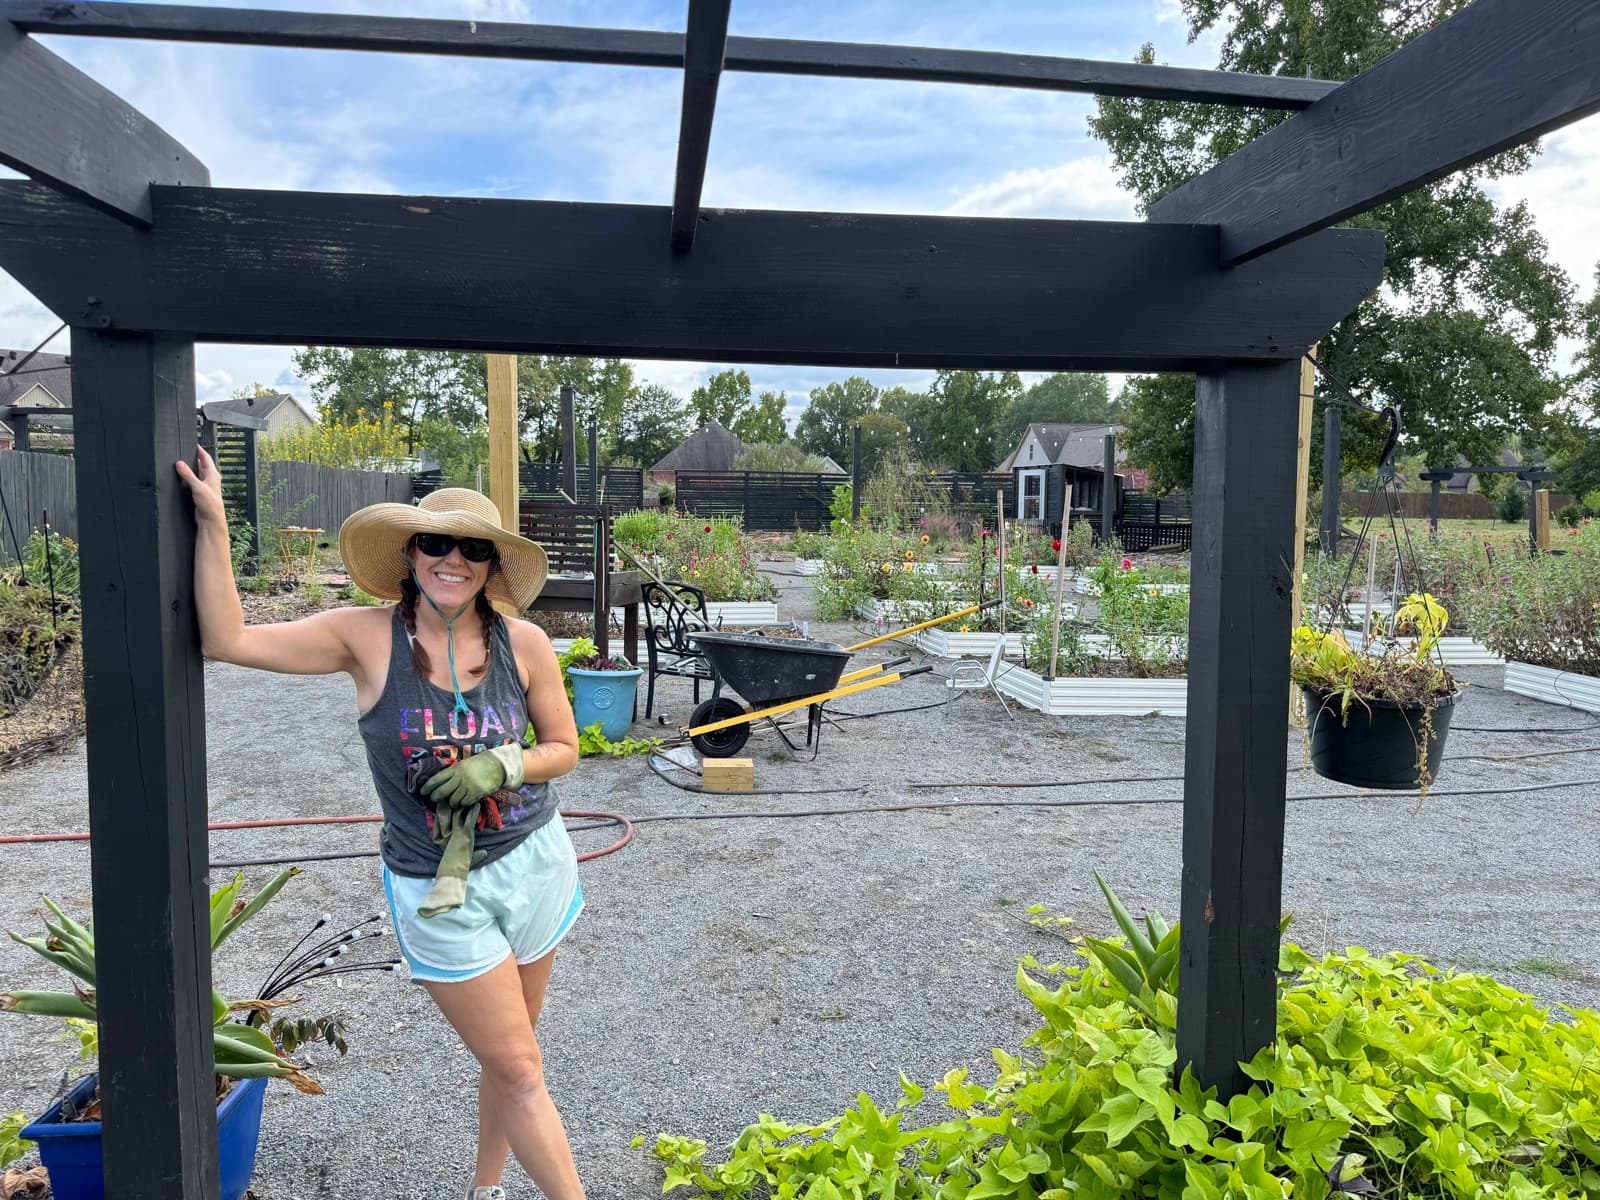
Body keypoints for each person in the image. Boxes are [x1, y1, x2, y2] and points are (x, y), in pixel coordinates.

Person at [177, 447, 585, 1200]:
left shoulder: (523, 643)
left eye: (473, 548)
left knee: (514, 1059)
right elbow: (226, 639)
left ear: (492, 564)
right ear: (410, 553)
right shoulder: (363, 638)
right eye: (436, 543)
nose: (453, 560)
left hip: (535, 861)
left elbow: (564, 747)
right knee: (520, 1068)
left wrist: (505, 764)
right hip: (438, 887)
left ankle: (487, 1189)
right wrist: (214, 523)